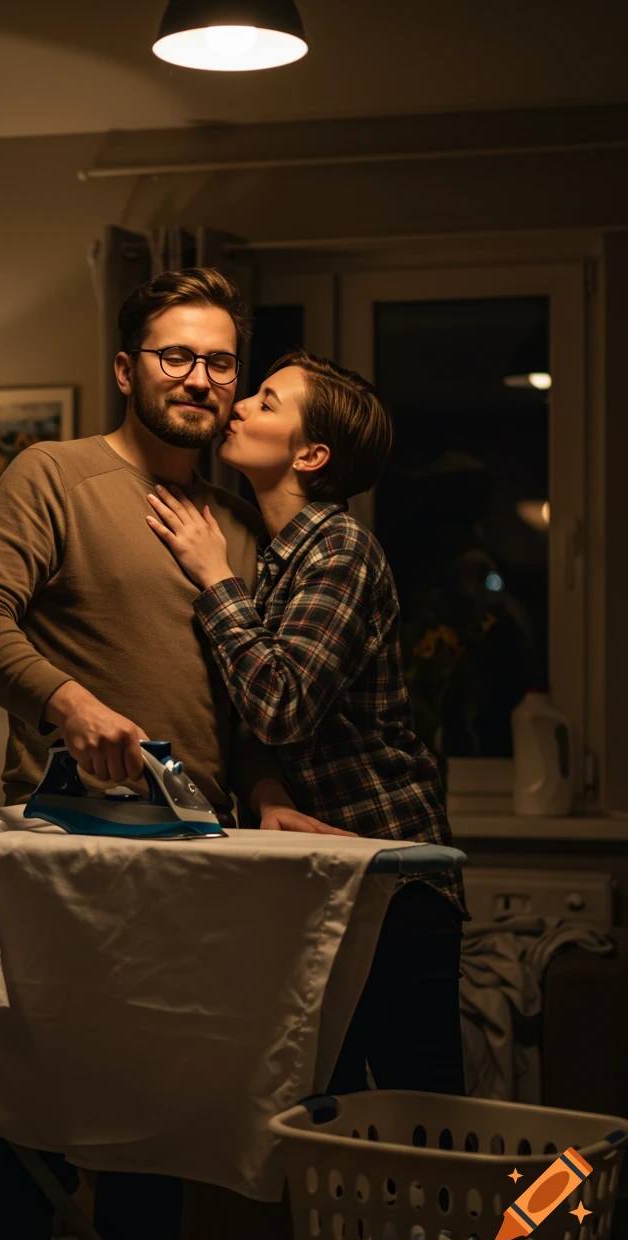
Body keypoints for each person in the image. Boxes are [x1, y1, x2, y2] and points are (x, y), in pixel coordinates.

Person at [0, 270, 340, 1240]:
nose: (199, 378)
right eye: (175, 355)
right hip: (62, 859)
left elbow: (242, 694)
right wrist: (65, 700)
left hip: (188, 861)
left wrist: (272, 794)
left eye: (218, 362)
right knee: (26, 1132)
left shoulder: (234, 524)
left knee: (151, 1133)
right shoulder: (52, 472)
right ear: (127, 367)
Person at [144, 350, 469, 1100]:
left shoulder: (340, 548)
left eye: (266, 400)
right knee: (334, 1112)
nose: (240, 406)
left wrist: (212, 575)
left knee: (419, 1121)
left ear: (311, 453)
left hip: (391, 878)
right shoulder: (276, 558)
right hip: (325, 873)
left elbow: (281, 707)